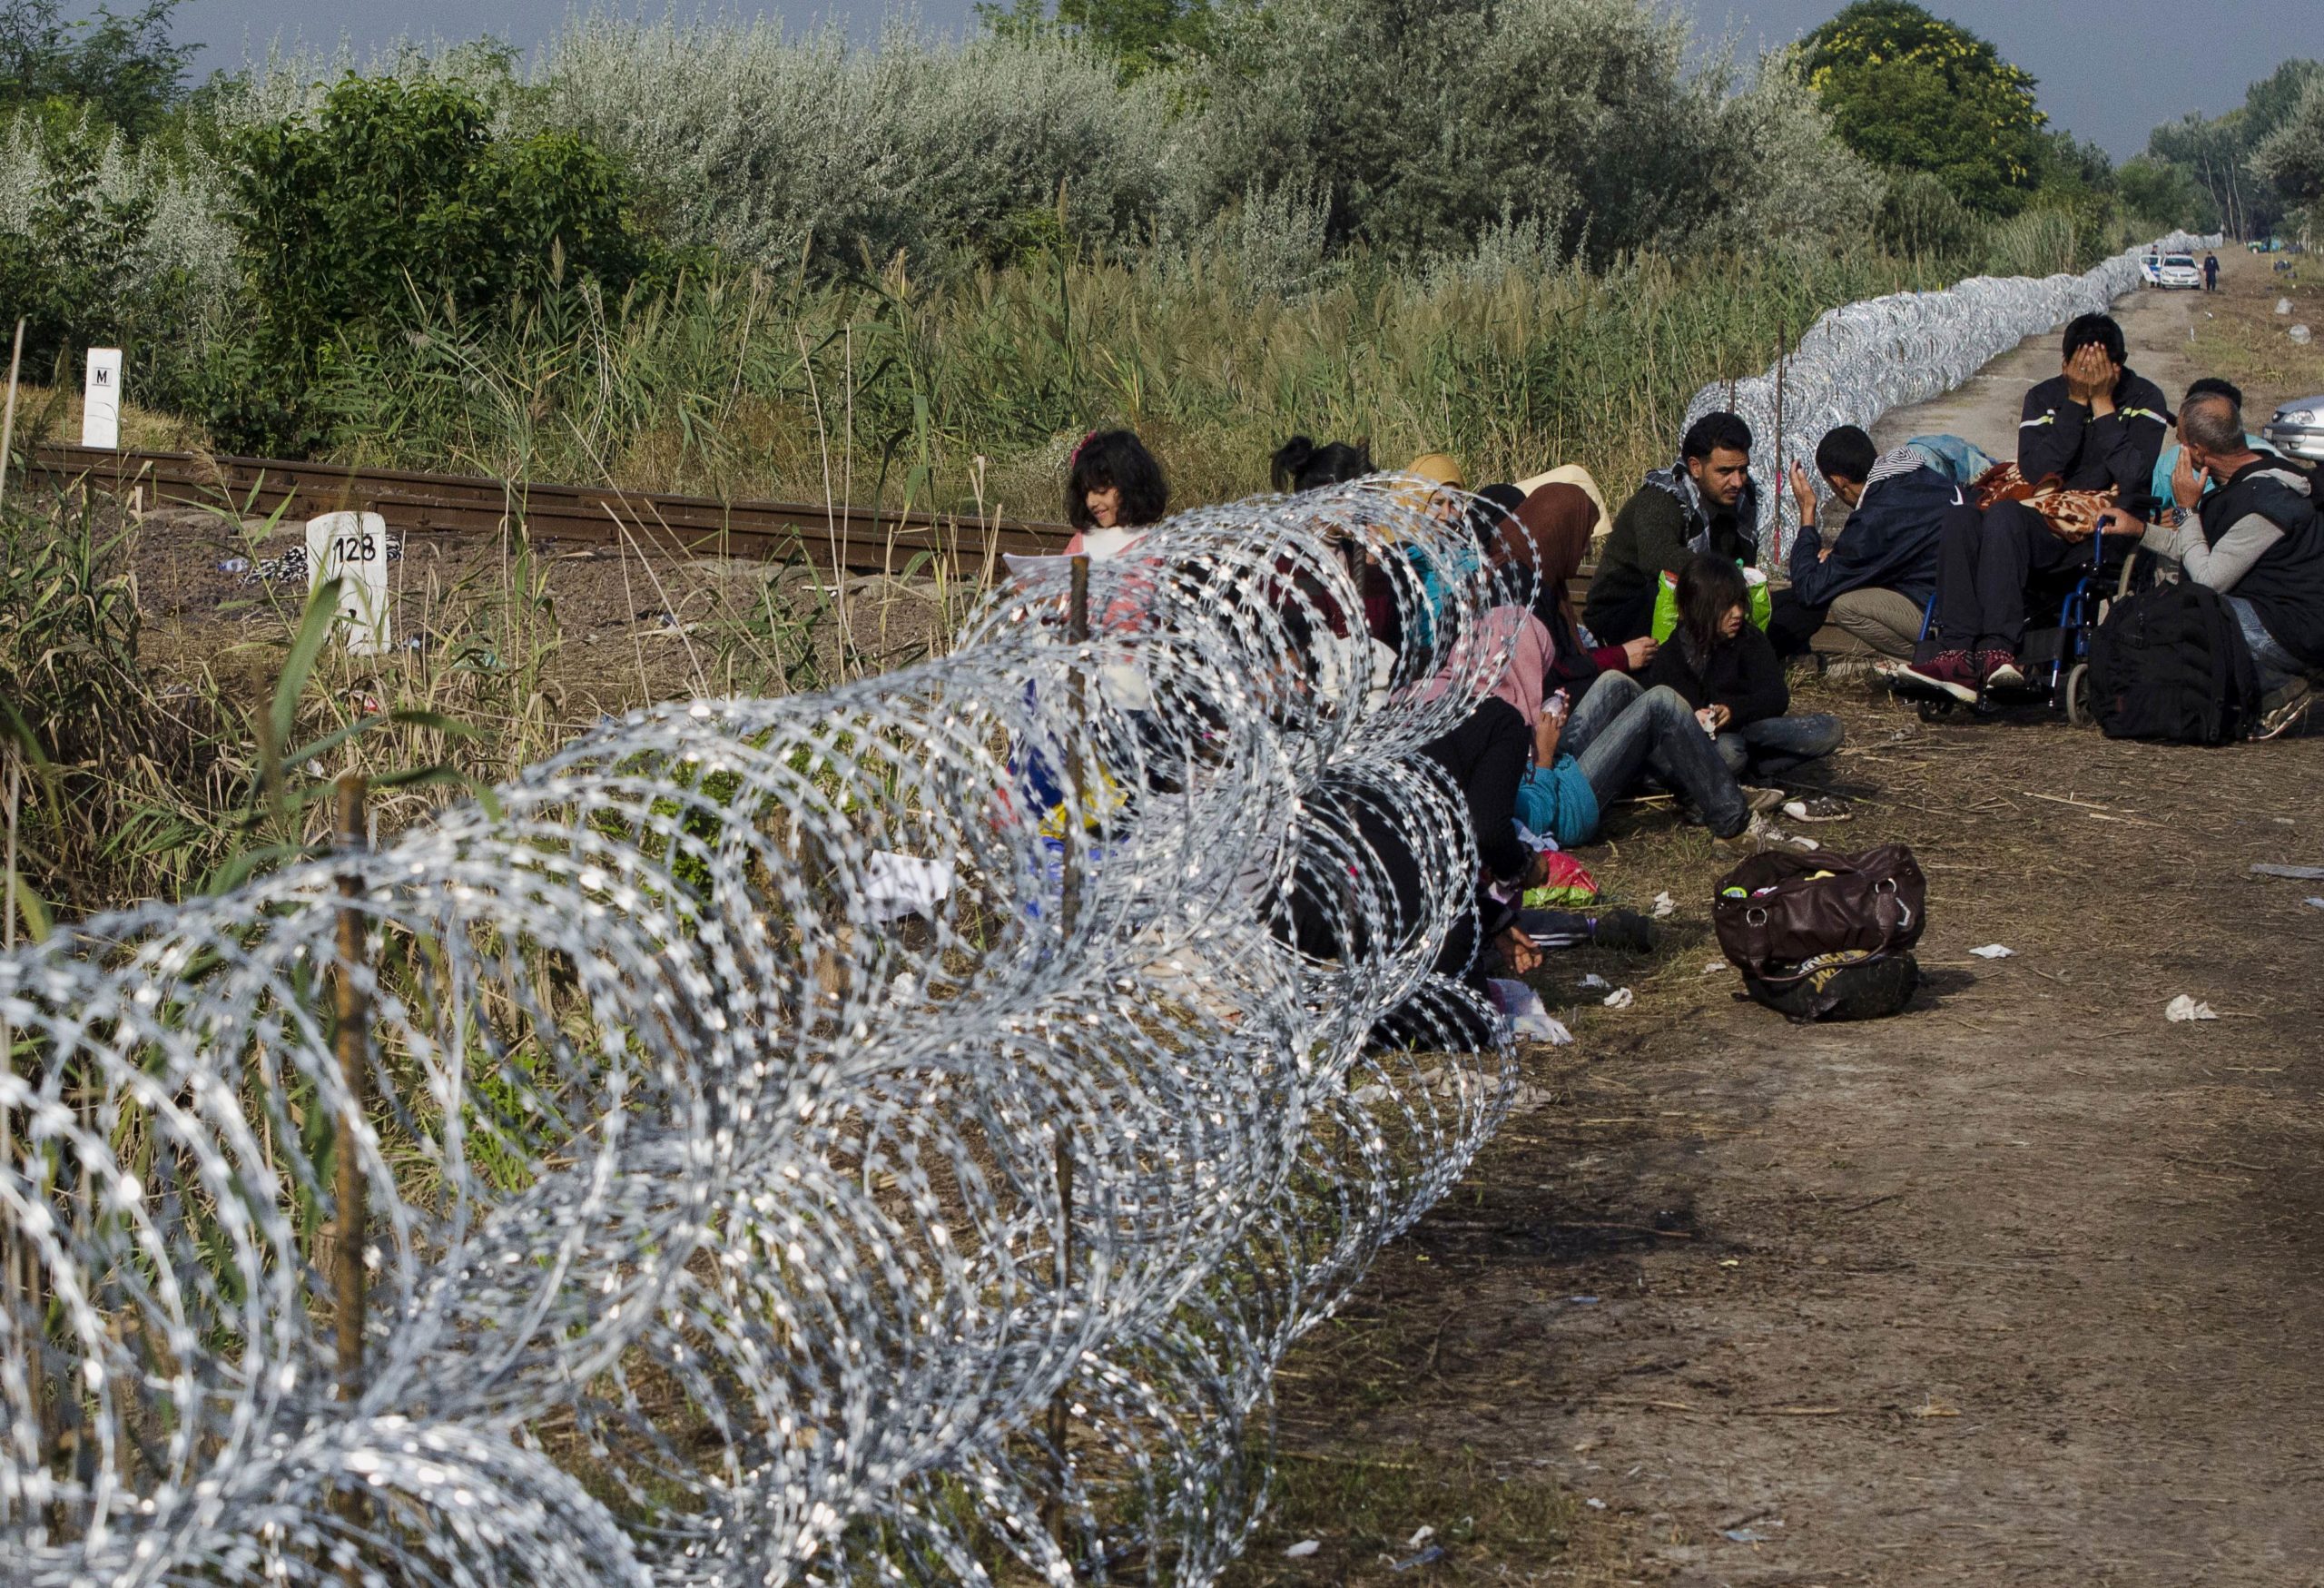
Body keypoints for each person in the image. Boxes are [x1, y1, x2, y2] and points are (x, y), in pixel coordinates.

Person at [1901, 313, 2171, 699]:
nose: (2088, 376)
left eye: (2099, 370)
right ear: (2064, 366)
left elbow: (2134, 475)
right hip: (2037, 514)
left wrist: (2103, 404)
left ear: (2117, 367)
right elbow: (2036, 469)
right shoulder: (2044, 397)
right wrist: (2077, 404)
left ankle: (1999, 648)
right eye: (2079, 370)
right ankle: (1957, 649)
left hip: (2092, 529)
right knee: (1963, 517)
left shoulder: (2145, 398)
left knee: (2006, 516)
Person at [2098, 390, 2324, 737]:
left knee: (2186, 617)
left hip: (2292, 628)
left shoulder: (2265, 501)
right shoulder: (2243, 483)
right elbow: (2202, 551)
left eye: (2181, 444)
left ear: (2199, 451)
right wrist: (2141, 530)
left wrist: (2187, 509)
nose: (2177, 453)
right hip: (2271, 612)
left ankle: (2274, 684)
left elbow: (2207, 581)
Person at [1648, 554, 1845, 787]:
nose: (1738, 613)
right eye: (1726, 607)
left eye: (1740, 603)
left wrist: (1732, 711)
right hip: (1708, 746)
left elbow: (1776, 696)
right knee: (1728, 752)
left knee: (1829, 730)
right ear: (1699, 608)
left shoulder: (1750, 640)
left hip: (1750, 733)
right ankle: (1734, 775)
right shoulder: (1672, 655)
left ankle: (1739, 773)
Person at [1771, 424, 1958, 661]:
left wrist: (1807, 514)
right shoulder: (1920, 475)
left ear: (1839, 482)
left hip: (1944, 614)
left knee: (1846, 606)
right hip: (1965, 596)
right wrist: (1841, 556)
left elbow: (1810, 590)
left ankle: (1936, 660)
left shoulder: (1874, 519)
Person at [1584, 411, 1759, 646]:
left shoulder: (1741, 499)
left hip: (1705, 602)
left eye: (1742, 470)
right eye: (1725, 472)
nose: (1737, 482)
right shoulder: (1664, 496)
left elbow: (1744, 562)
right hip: (1626, 611)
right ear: (1695, 467)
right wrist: (1724, 576)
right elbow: (1657, 557)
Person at [1062, 429, 1167, 557]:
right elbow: (1076, 578)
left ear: (1130, 486)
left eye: (1101, 491)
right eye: (1085, 493)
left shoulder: (1144, 548)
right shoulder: (1081, 543)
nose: (1091, 502)